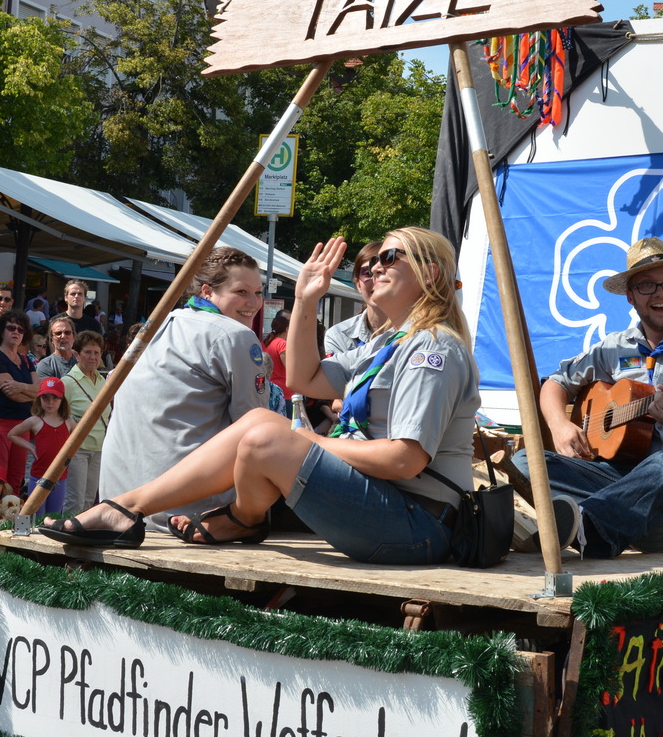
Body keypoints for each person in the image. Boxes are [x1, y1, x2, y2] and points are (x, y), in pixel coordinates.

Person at [47, 230, 478, 563]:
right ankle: (209, 516)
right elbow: (306, 377)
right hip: (384, 504)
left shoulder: (433, 349)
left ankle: (136, 510)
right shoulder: (390, 342)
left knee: (267, 435)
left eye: (390, 257)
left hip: (419, 524)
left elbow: (405, 459)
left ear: (429, 274)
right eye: (375, 258)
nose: (374, 268)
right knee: (261, 427)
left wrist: (310, 441)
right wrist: (305, 299)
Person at [517, 237, 663, 556]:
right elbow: (556, 383)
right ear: (630, 296)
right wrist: (560, 426)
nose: (660, 293)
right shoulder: (614, 347)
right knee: (528, 461)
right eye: (646, 286)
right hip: (632, 481)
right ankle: (644, 525)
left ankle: (590, 531)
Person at [93, 246, 269, 534]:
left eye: (258, 292)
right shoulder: (235, 335)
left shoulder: (157, 325)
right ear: (207, 291)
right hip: (184, 513)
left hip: (117, 500)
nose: (254, 303)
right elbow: (256, 430)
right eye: (241, 292)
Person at [0, 312, 38, 487]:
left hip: (23, 425)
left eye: (20, 330)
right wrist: (30, 393)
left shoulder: (26, 360)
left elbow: (40, 392)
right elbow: (12, 394)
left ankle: (11, 507)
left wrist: (22, 387)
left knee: (17, 478)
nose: (16, 332)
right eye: (11, 328)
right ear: (1, 331)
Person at [9, 376, 73, 516]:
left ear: (62, 400)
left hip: (60, 476)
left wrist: (70, 452)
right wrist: (30, 447)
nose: (50, 402)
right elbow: (12, 434)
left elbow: (79, 437)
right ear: (39, 399)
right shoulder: (35, 421)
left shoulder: (68, 422)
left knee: (53, 516)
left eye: (55, 398)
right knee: (36, 516)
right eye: (46, 398)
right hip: (39, 476)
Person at [60, 331, 107, 512]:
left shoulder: (102, 380)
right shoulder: (67, 382)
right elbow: (59, 416)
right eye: (87, 352)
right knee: (75, 501)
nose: (92, 357)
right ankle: (66, 528)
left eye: (96, 353)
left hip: (99, 448)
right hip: (77, 450)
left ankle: (83, 529)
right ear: (77, 354)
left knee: (89, 500)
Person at [321, 242, 385, 359]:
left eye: (383, 272)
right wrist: (305, 300)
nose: (376, 279)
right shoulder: (338, 335)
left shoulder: (417, 331)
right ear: (358, 285)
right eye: (368, 273)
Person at [263, 309, 292, 402]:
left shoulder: (265, 342)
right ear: (286, 329)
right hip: (284, 393)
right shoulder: (283, 344)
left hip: (267, 389)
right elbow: (291, 369)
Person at [35, 314, 76, 380]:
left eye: (67, 332)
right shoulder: (45, 365)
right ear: (51, 340)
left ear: (74, 337)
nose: (63, 336)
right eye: (58, 333)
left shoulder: (83, 361)